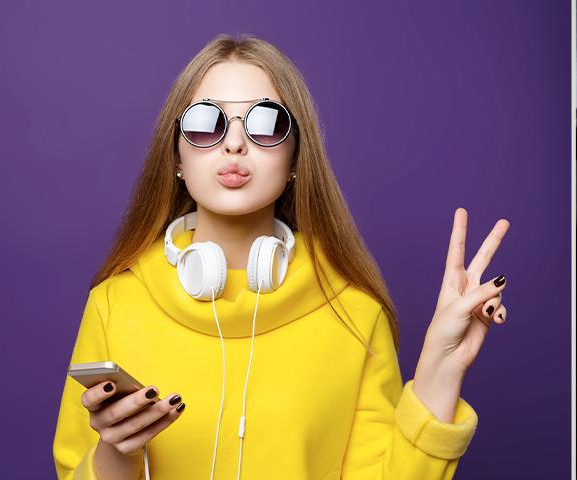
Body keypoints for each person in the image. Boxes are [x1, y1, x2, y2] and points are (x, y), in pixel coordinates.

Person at [52, 33, 510, 480]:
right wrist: (116, 453)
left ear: (295, 160)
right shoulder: (115, 304)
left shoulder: (354, 311)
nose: (234, 144)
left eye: (265, 122)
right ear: (176, 157)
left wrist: (439, 372)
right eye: (204, 122)